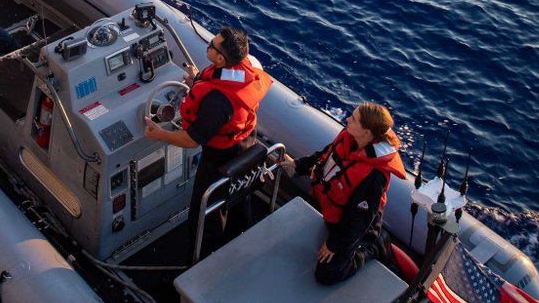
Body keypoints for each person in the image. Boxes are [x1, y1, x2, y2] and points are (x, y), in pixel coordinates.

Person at [143, 26, 273, 261]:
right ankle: (239, 244)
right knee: (239, 199)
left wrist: (160, 134)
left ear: (221, 58)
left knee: (206, 216)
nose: (208, 46)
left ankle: (199, 267)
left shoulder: (216, 102)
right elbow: (223, 84)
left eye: (212, 45)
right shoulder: (249, 66)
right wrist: (196, 81)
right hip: (247, 145)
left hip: (220, 160)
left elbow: (191, 139)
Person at [283, 102, 406, 285]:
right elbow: (324, 157)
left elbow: (358, 220)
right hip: (332, 208)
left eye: (354, 119)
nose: (348, 119)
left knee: (326, 274)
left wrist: (335, 244)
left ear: (366, 132)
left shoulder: (373, 178)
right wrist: (298, 165)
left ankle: (375, 245)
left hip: (355, 226)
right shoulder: (348, 138)